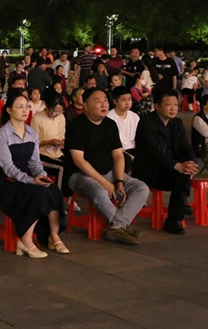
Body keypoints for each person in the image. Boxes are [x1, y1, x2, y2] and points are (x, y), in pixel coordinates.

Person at [65, 88, 149, 245]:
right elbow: (79, 161)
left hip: (109, 172)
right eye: (98, 101)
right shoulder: (76, 126)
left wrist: (119, 181)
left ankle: (117, 226)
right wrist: (105, 183)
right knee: (99, 191)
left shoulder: (110, 124)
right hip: (81, 175)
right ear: (85, 105)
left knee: (141, 188)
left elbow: (118, 155)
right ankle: (121, 226)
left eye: (105, 100)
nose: (104, 104)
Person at [0, 91, 67, 258]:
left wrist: (41, 176)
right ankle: (25, 240)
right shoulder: (2, 135)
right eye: (20, 107)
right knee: (38, 193)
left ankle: (53, 236)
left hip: (28, 176)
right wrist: (31, 180)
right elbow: (8, 167)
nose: (25, 110)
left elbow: (35, 162)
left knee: (53, 189)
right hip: (7, 182)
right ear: (9, 110)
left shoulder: (32, 133)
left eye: (27, 106)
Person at [133, 90, 198, 235]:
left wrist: (191, 163)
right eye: (169, 105)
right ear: (157, 106)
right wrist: (177, 166)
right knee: (181, 176)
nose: (173, 108)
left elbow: (186, 147)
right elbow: (153, 152)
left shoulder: (177, 123)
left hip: (170, 169)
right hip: (150, 171)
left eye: (175, 105)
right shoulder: (146, 123)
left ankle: (174, 219)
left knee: (184, 175)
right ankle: (179, 208)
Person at [30, 95, 67, 190]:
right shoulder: (37, 119)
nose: (57, 114)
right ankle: (58, 194)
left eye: (60, 111)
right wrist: (50, 142)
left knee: (72, 164)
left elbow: (62, 135)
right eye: (55, 111)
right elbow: (33, 143)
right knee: (61, 168)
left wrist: (62, 142)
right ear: (47, 107)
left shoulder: (61, 117)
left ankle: (68, 195)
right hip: (42, 155)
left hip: (57, 153)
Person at [106, 86, 140, 167]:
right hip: (119, 151)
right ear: (115, 101)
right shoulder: (109, 117)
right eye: (123, 100)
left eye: (129, 99)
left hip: (134, 149)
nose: (127, 103)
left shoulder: (135, 117)